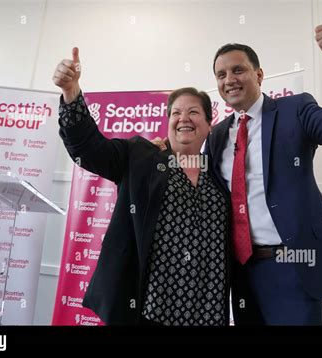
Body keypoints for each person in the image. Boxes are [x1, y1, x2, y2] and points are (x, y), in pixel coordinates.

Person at [204, 12, 322, 325]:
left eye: (238, 70)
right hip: (242, 271)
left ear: (259, 75)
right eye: (220, 75)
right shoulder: (218, 135)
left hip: (294, 267)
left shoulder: (295, 109)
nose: (228, 79)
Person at [53, 48, 231, 326]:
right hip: (148, 311)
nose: (183, 118)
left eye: (193, 112)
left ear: (209, 125)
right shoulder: (141, 157)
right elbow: (88, 150)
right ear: (168, 122)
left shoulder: (222, 174)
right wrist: (71, 91)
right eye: (176, 113)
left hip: (206, 313)